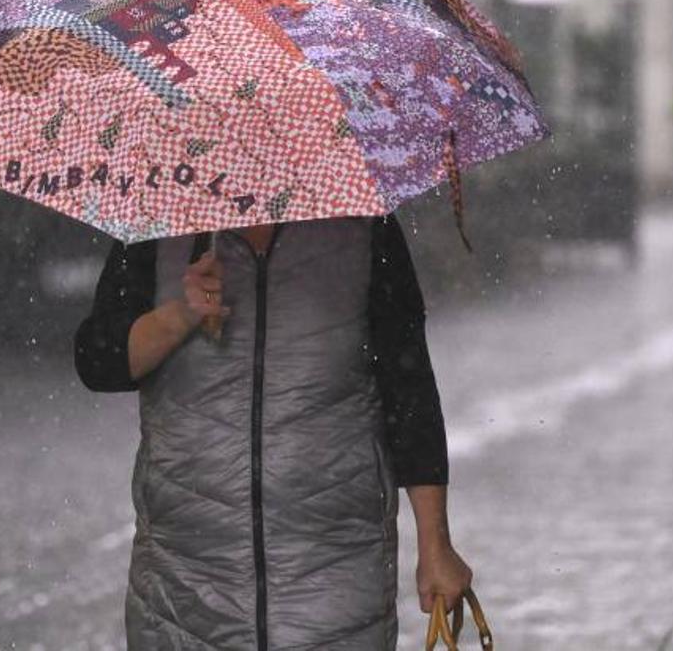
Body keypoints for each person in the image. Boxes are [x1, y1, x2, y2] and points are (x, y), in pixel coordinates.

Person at [74, 214, 473, 650]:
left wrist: (436, 544)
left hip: (336, 566)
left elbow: (407, 389)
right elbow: (99, 363)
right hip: (185, 577)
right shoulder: (158, 222)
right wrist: (180, 315)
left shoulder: (363, 226)